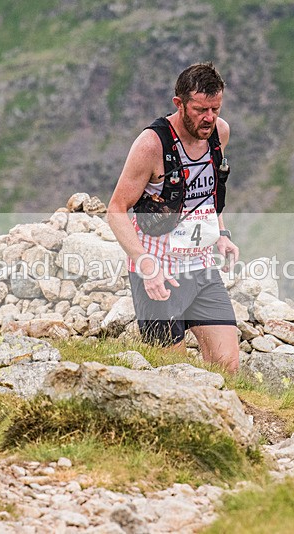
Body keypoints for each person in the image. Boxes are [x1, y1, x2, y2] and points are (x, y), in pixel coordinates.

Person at [107, 62, 240, 373]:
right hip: (159, 275)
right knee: (173, 374)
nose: (209, 118)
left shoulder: (219, 133)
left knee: (228, 368)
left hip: (202, 267)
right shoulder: (151, 145)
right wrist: (144, 263)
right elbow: (116, 209)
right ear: (179, 104)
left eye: (215, 108)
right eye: (200, 110)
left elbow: (207, 192)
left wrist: (221, 233)